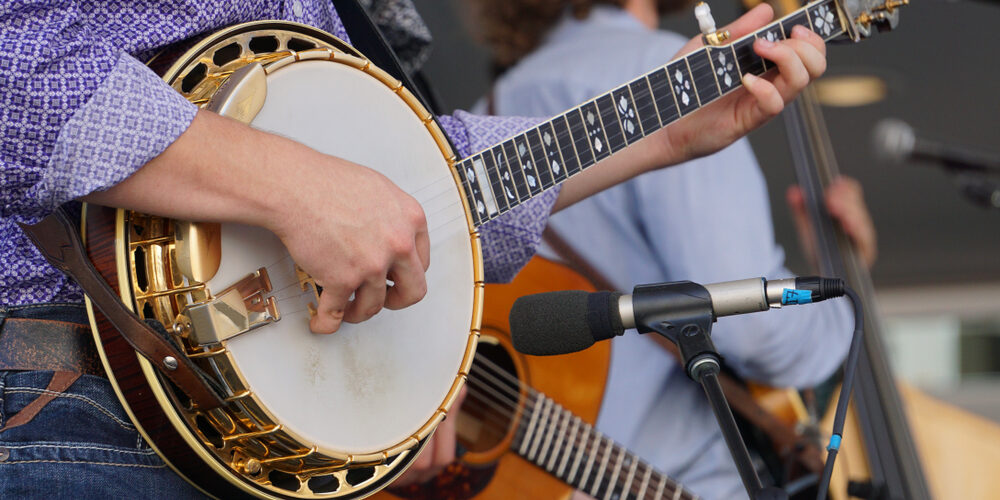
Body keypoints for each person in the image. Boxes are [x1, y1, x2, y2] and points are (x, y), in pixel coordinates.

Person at [0, 0, 827, 496]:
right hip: (75, 408)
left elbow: (410, 189)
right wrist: (292, 187)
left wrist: (660, 135)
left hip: (261, 459)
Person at [470, 0, 876, 498]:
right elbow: (754, 330)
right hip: (680, 478)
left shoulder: (488, 110)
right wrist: (841, 292)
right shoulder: (664, 77)